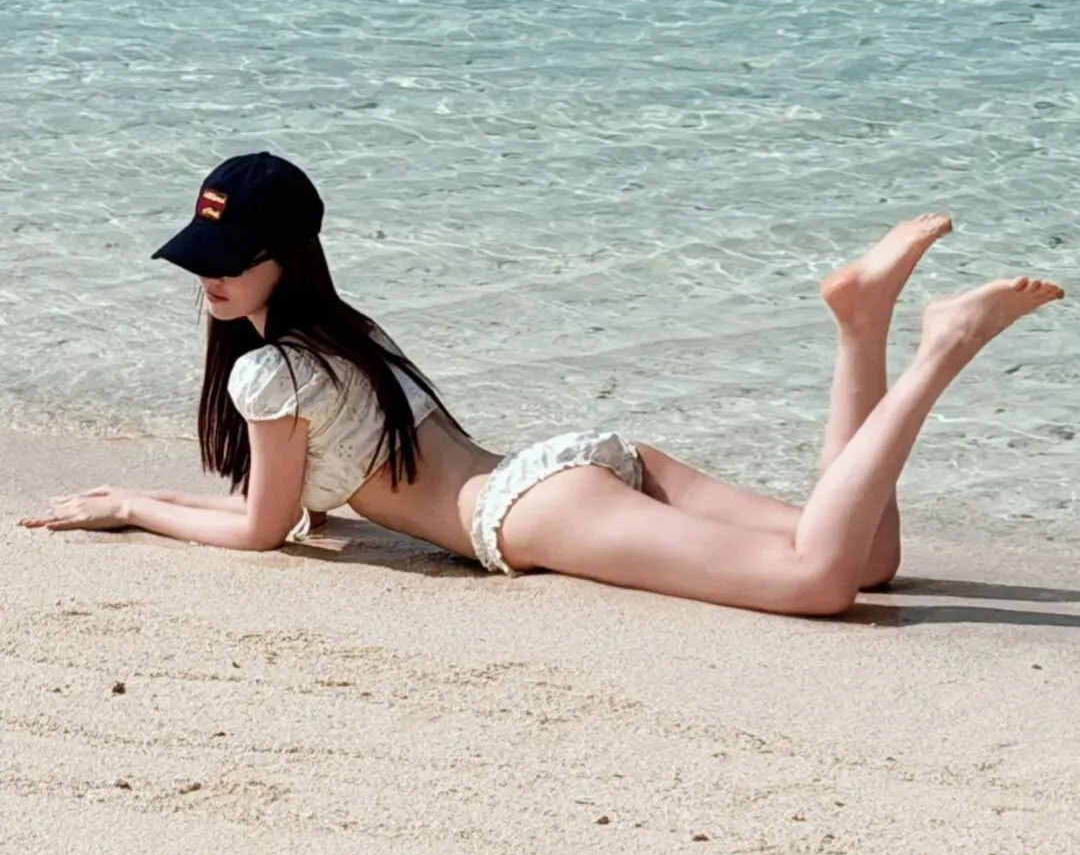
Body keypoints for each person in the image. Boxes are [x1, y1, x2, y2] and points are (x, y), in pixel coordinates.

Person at [22, 152, 1063, 616]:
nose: (209, 277)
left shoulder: (269, 369)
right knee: (870, 557)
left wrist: (135, 506)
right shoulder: (349, 339)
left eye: (230, 259)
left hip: (526, 514)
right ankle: (860, 324)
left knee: (821, 581)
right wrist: (161, 497)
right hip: (565, 468)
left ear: (284, 257)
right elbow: (298, 509)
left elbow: (263, 527)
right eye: (203, 258)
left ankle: (939, 350)